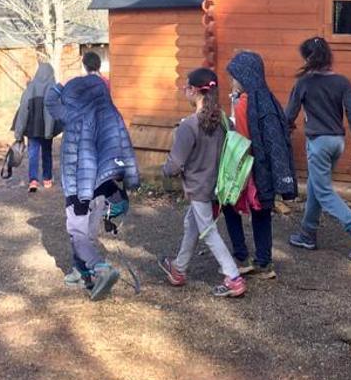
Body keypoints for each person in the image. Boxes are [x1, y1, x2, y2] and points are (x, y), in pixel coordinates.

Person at [46, 68, 139, 301]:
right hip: (100, 185)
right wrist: (129, 178)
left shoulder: (71, 114)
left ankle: (100, 268)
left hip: (78, 186)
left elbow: (49, 101)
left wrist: (60, 84)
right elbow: (125, 149)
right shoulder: (110, 114)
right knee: (86, 232)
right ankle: (81, 271)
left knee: (77, 231)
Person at [284, 36, 351, 260]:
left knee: (324, 191)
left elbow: (289, 115)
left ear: (307, 58)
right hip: (337, 143)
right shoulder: (342, 82)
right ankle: (307, 234)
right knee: (317, 188)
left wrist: (283, 131)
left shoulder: (304, 83)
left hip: (318, 144)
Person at [157, 68, 247, 298]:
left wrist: (163, 171)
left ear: (195, 91)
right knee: (192, 224)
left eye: (186, 87)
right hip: (218, 185)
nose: (184, 90)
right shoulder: (223, 120)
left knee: (208, 231)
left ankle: (233, 277)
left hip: (199, 187)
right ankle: (178, 268)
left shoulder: (189, 125)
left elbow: (174, 165)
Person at [222, 51, 297, 279]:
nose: (232, 81)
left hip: (247, 169)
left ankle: (241, 257)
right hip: (266, 170)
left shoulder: (245, 103)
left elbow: (241, 137)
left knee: (227, 204)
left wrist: (231, 117)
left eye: (234, 76)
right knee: (262, 213)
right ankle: (264, 262)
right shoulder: (267, 98)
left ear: (243, 76)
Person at [12, 63, 61, 192]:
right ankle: (47, 179)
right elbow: (55, 111)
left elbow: (23, 110)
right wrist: (51, 131)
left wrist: (18, 132)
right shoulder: (53, 89)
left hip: (32, 128)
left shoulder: (30, 88)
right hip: (46, 129)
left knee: (33, 153)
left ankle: (33, 180)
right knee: (47, 153)